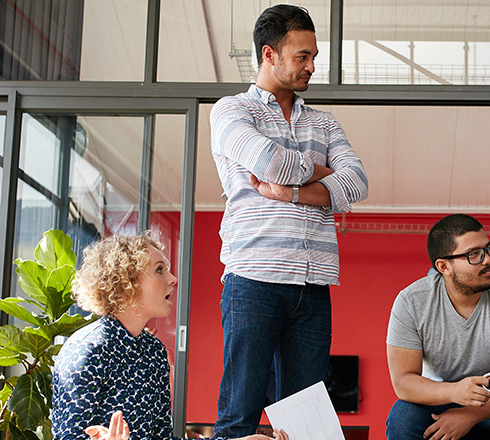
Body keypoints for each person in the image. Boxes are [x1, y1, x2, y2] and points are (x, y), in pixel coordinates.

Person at [208, 4, 368, 438]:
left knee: (308, 427)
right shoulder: (230, 111)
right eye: (302, 56)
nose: (312, 66)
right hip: (253, 278)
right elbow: (268, 160)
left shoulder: (324, 122)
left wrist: (291, 191)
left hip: (313, 285)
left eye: (313, 56)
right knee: (238, 419)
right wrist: (320, 170)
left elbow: (357, 184)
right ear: (269, 54)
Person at [50, 234, 284, 440]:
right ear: (126, 283)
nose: (173, 279)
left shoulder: (154, 351)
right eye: (159, 269)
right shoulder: (86, 351)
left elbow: (162, 437)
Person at [385, 214, 490, 440]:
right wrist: (454, 392)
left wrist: (469, 415)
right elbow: (403, 382)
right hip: (441, 395)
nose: (488, 259)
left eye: (488, 249)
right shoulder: (411, 302)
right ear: (444, 266)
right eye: (473, 254)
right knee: (402, 419)